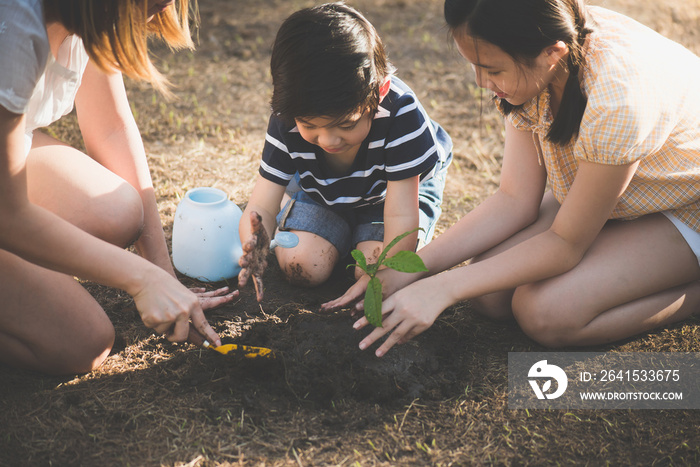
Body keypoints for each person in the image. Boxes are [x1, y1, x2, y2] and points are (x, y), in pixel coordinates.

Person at [323, 0, 700, 357]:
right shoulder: (536, 48)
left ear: (552, 53)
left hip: (684, 206)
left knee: (545, 313)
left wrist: (441, 288)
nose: (481, 82)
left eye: (492, 70)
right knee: (490, 296)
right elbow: (514, 199)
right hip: (619, 193)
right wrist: (411, 271)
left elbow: (566, 244)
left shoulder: (617, 100)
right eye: (475, 65)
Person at [0, 0, 237, 375]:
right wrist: (140, 279)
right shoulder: (12, 28)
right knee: (82, 342)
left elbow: (111, 128)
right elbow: (7, 215)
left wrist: (162, 271)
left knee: (119, 211)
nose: (166, 8)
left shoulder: (87, 15)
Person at [238, 2, 452, 301]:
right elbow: (261, 204)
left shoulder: (401, 115)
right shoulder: (290, 113)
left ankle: (356, 234)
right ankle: (320, 217)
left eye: (346, 125)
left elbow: (402, 213)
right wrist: (255, 245)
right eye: (310, 125)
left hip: (392, 196)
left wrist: (385, 278)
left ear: (379, 93)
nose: (329, 140)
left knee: (373, 270)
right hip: (323, 191)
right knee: (302, 265)